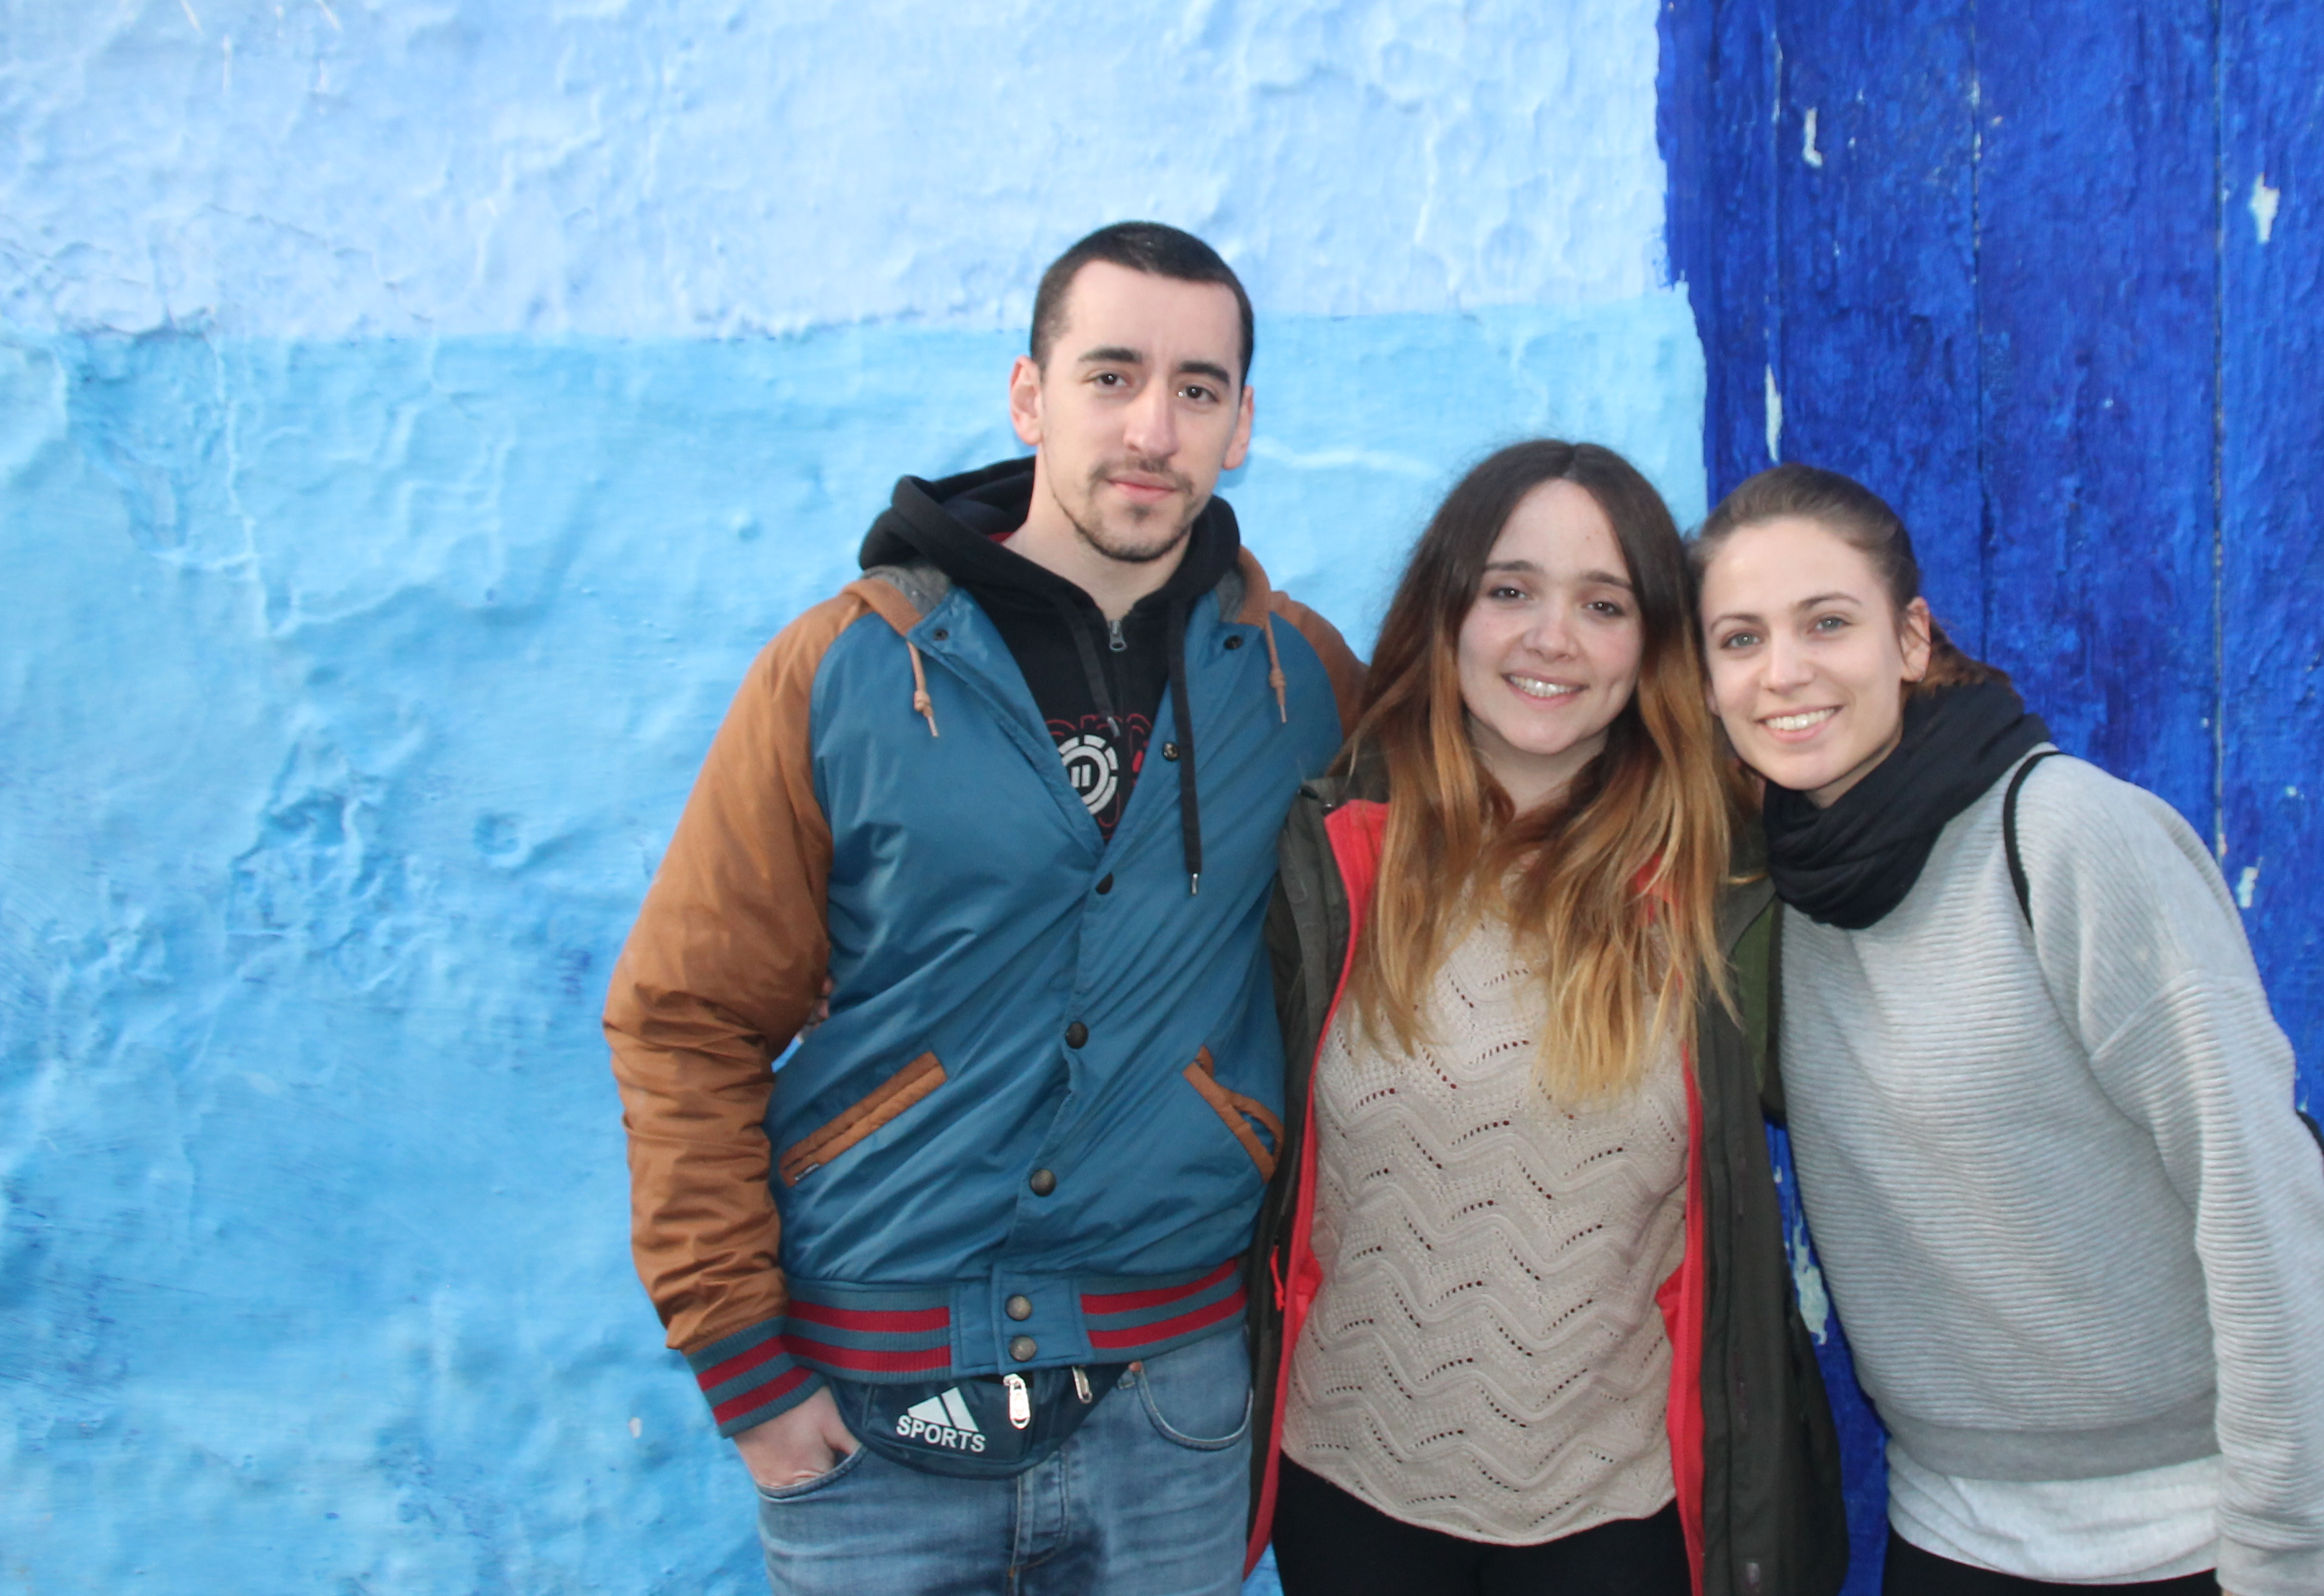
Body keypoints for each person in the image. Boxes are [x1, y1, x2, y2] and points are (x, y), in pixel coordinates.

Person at [604, 222, 1362, 1596]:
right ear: (1029, 396)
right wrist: (744, 1368)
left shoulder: (1296, 681)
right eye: (1112, 375)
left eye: (1199, 390)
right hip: (869, 1416)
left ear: (1242, 425)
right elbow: (686, 1017)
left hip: (1173, 1402)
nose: (1153, 426)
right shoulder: (847, 668)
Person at [1691, 464, 2324, 1596]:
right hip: (1961, 1524)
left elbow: (2264, 1208)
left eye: (1829, 622)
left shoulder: (2063, 837)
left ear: (1911, 639)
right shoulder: (1783, 897)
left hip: (2205, 1517)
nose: (1786, 672)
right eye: (1739, 638)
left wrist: (2277, 1550)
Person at [1246, 440, 1848, 1596]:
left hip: (1615, 1520)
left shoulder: (1724, 886)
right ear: (1449, 610)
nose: (1550, 638)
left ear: (1655, 644)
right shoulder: (1330, 855)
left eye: (1604, 604)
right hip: (1349, 1497)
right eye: (1510, 591)